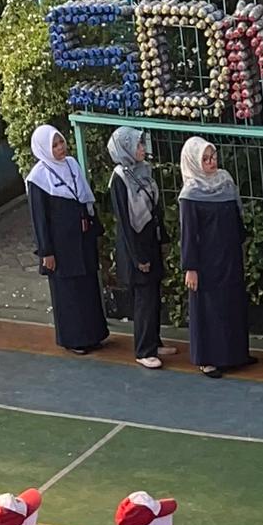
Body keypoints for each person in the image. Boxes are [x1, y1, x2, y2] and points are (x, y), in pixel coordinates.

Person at [26, 126, 108, 355]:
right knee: (68, 292)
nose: (60, 148)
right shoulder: (38, 178)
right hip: (61, 247)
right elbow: (39, 219)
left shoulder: (72, 164)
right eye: (54, 145)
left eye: (61, 142)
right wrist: (46, 251)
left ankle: (93, 334)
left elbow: (82, 196)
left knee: (87, 287)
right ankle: (74, 339)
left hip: (82, 240)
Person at [179, 139, 255, 376]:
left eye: (213, 156)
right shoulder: (190, 193)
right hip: (206, 261)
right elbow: (189, 233)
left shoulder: (225, 181)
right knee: (209, 308)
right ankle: (208, 358)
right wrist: (190, 267)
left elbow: (236, 214)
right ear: (194, 162)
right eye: (205, 158)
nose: (212, 162)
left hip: (230, 255)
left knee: (232, 303)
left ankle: (235, 354)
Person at [105, 129, 172, 368]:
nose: (142, 149)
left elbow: (155, 209)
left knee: (153, 295)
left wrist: (162, 239)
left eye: (142, 144)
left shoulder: (143, 172)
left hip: (150, 240)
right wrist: (138, 257)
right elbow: (125, 222)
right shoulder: (120, 179)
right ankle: (144, 350)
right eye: (137, 145)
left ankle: (154, 340)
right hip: (136, 248)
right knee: (144, 298)